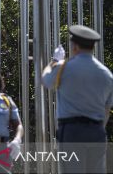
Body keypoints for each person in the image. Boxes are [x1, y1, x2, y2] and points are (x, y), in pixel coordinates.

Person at [42, 25, 113, 173]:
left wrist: (54, 61)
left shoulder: (64, 67)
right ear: (93, 46)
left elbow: (46, 80)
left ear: (74, 46)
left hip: (72, 131)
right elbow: (107, 110)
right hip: (97, 131)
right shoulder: (106, 74)